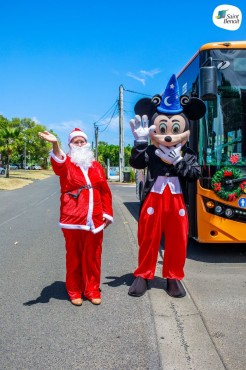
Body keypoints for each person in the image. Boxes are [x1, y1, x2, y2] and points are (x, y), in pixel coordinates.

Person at [128, 74, 206, 298]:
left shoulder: (188, 153)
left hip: (177, 200)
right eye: (163, 129)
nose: (169, 136)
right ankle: (143, 274)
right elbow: (137, 163)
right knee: (148, 237)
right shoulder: (151, 151)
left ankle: (173, 276)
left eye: (174, 128)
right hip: (153, 197)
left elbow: (194, 175)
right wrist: (140, 144)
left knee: (177, 239)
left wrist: (179, 162)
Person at [38, 128, 113, 306]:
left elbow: (104, 190)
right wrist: (55, 144)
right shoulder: (67, 163)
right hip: (73, 218)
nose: (79, 144)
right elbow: (58, 163)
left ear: (87, 144)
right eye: (75, 142)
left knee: (94, 256)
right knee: (74, 256)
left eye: (82, 141)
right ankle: (74, 290)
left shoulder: (96, 166)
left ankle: (92, 289)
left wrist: (107, 212)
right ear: (70, 145)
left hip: (94, 218)